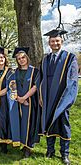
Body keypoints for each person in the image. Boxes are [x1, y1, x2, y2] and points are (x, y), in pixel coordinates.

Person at [39, 29, 79, 165]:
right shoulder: (45, 59)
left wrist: (67, 99)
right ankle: (50, 151)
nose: (55, 43)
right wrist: (40, 95)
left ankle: (64, 154)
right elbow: (41, 78)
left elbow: (73, 79)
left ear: (61, 41)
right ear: (49, 43)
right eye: (52, 41)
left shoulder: (70, 58)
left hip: (62, 98)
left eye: (57, 41)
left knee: (64, 125)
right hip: (48, 97)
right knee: (49, 123)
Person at [12, 47, 40, 157]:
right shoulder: (15, 72)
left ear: (27, 58)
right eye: (19, 59)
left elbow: (35, 86)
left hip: (30, 101)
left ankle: (28, 147)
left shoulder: (35, 71)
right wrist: (18, 98)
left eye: (23, 57)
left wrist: (24, 98)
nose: (21, 60)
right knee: (21, 123)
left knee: (29, 123)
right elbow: (12, 85)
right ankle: (23, 144)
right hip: (18, 101)